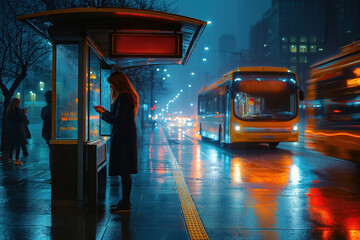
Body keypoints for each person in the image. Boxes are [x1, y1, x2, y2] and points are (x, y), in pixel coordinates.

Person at [94, 72, 139, 213]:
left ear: (118, 83)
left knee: (124, 171)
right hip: (125, 136)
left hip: (124, 138)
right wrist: (105, 111)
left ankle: (126, 204)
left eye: (112, 83)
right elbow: (118, 117)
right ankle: (125, 202)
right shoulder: (126, 96)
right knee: (124, 171)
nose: (111, 86)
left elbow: (117, 120)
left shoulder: (124, 97)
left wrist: (103, 113)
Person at [5, 98, 28, 165]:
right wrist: (25, 114)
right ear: (16, 103)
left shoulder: (9, 110)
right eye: (18, 102)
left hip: (10, 129)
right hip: (17, 129)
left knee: (12, 144)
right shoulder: (17, 109)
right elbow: (21, 118)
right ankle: (17, 160)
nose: (19, 104)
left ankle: (10, 158)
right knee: (18, 144)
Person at [41, 90, 52, 177]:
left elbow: (43, 117)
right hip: (51, 133)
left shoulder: (45, 108)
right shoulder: (54, 107)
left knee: (52, 152)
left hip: (47, 133)